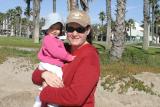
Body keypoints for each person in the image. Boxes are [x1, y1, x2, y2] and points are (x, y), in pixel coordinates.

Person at [32, 10, 100, 107]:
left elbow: (74, 98)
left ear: (88, 30)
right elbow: (35, 77)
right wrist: (44, 74)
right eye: (70, 28)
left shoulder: (90, 57)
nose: (74, 33)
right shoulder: (63, 50)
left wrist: (44, 92)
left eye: (80, 29)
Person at [33, 13, 74, 107]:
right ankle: (53, 103)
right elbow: (56, 52)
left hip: (48, 64)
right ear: (47, 29)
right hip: (50, 64)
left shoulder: (55, 39)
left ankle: (39, 101)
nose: (55, 31)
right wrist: (69, 57)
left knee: (47, 84)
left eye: (58, 28)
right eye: (52, 27)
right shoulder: (48, 39)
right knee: (58, 79)